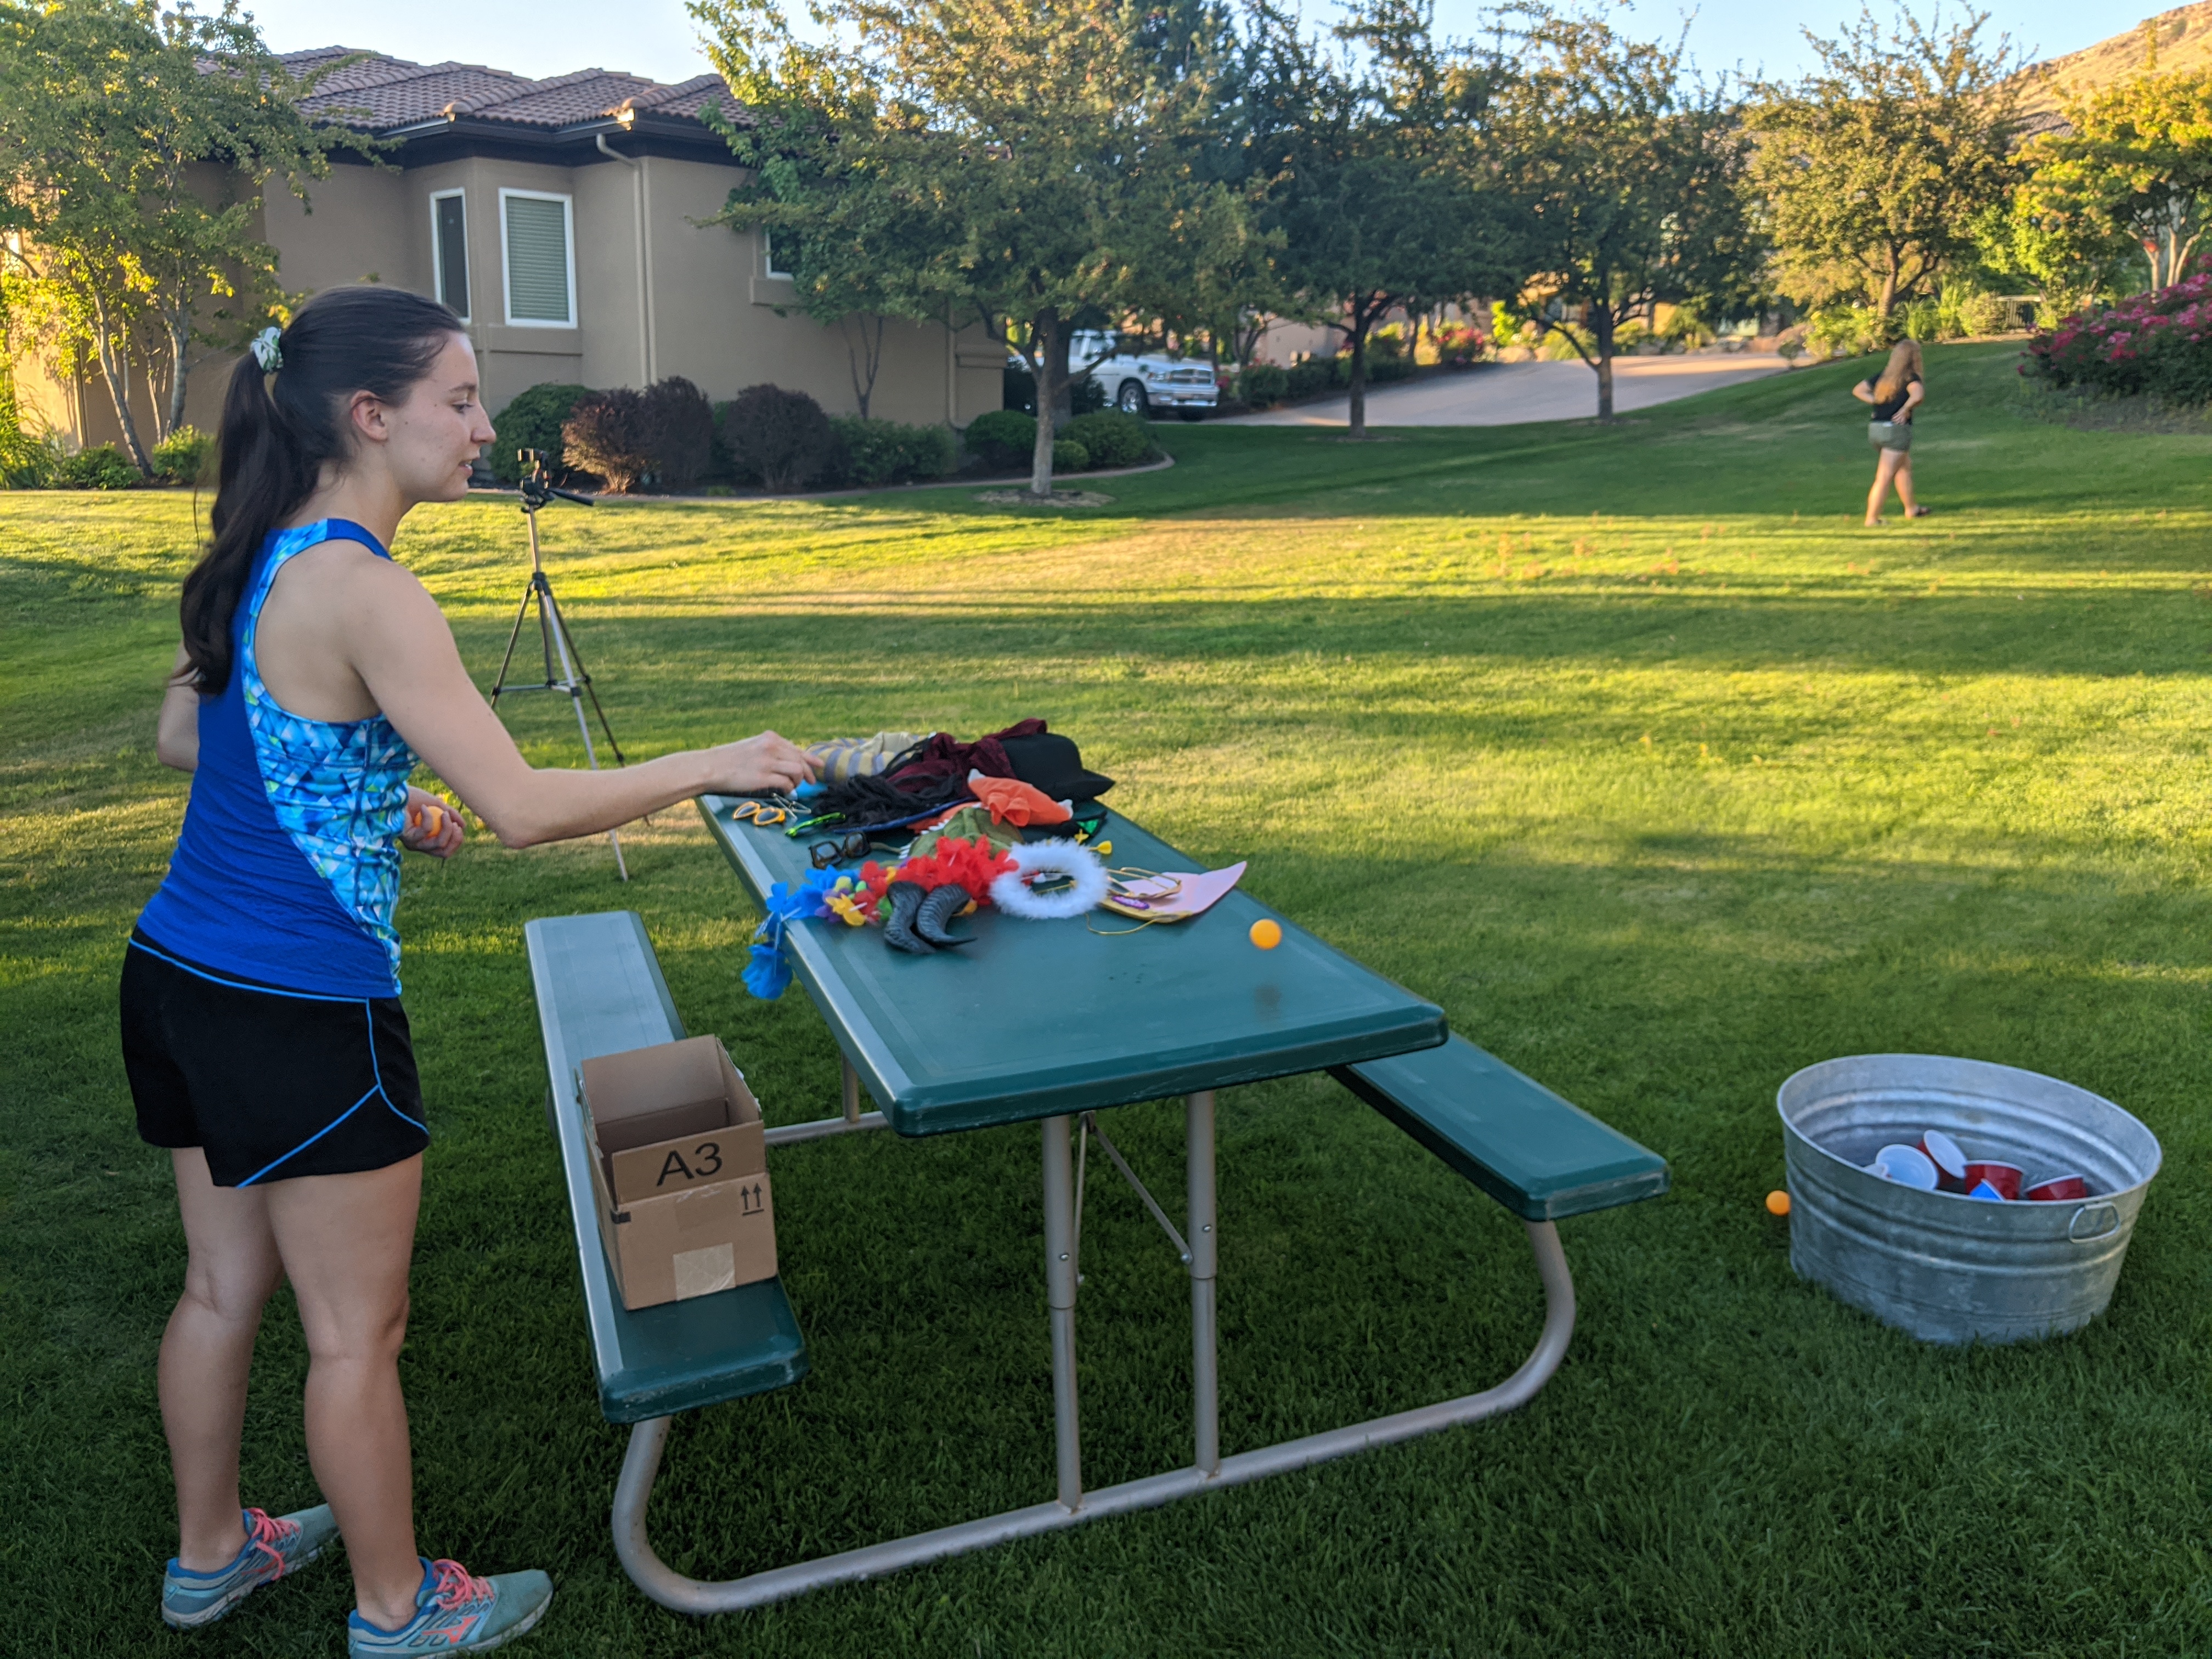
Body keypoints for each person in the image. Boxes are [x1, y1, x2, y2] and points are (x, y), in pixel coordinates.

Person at [126, 286, 816, 1655]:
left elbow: (191, 732)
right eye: (458, 398)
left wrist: (368, 800)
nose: (486, 426)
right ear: (370, 416)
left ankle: (207, 1558)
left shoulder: (262, 547)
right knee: (353, 1335)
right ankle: (397, 1610)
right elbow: (523, 808)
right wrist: (714, 762)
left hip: (177, 977)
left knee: (218, 1290)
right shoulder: (372, 592)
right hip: (301, 1009)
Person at [1852, 338, 1929, 526]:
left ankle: (1912, 509)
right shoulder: (1910, 378)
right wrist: (1905, 409)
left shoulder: (1884, 377)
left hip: (1876, 429)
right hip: (1895, 431)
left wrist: (1878, 402)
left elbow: (1859, 390)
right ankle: (1872, 519)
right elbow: (1918, 395)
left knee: (1904, 467)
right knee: (1884, 477)